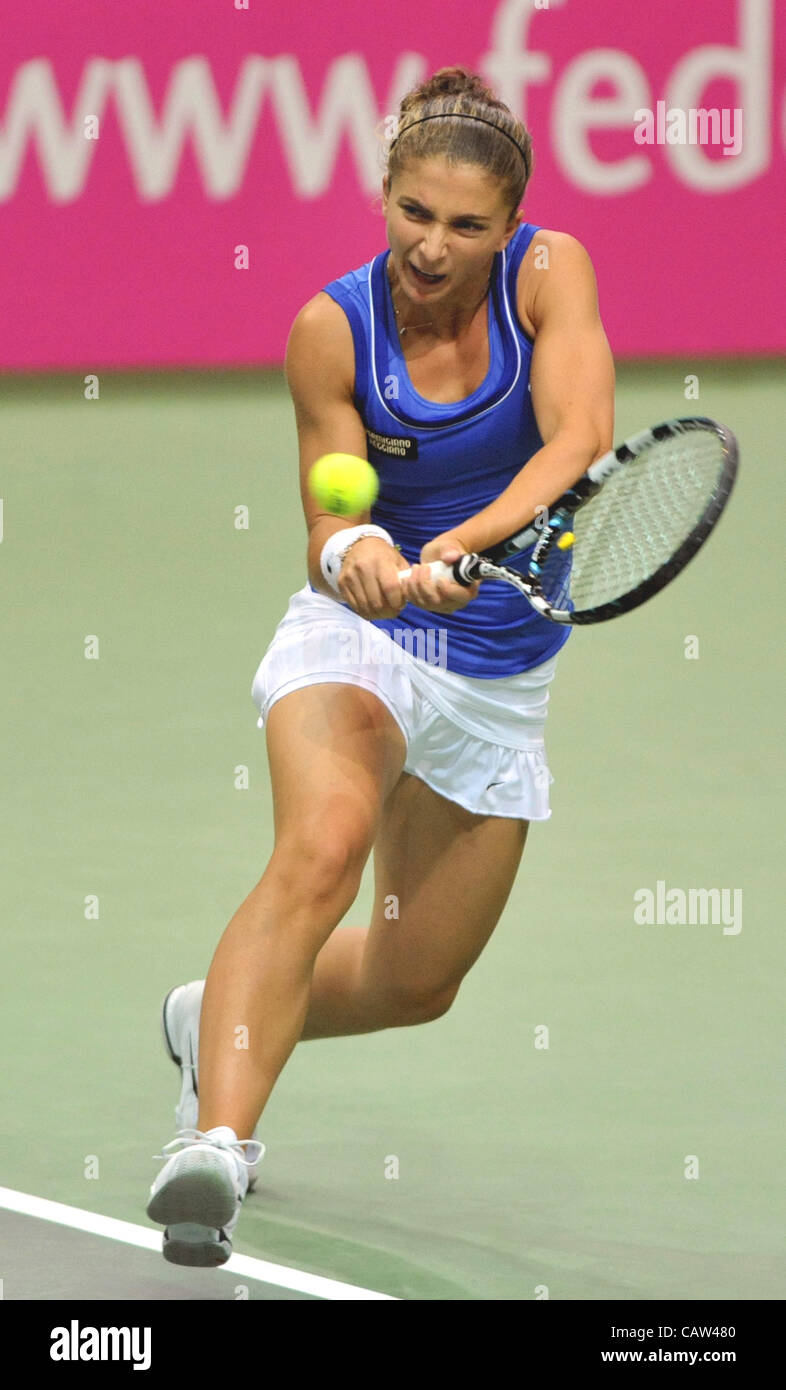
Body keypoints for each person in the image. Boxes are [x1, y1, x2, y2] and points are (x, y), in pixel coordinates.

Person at [146, 65, 615, 1268]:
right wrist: (355, 548)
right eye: (414, 213)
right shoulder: (329, 326)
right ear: (385, 195)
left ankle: (216, 1017)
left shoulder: (552, 279)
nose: (432, 246)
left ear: (512, 228)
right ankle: (214, 1148)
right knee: (323, 846)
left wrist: (462, 543)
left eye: (466, 226)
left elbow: (580, 435)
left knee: (417, 977)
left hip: (501, 675)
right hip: (363, 641)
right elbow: (326, 509)